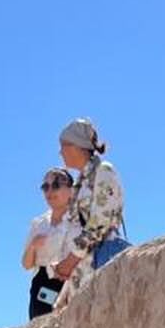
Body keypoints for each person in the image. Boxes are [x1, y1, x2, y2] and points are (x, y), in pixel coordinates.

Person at [50, 118, 127, 306]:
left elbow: (99, 223)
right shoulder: (81, 183)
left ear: (77, 146)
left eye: (63, 146)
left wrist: (69, 262)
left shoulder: (103, 171)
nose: (60, 152)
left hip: (102, 270)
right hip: (82, 278)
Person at [20, 168, 76, 318]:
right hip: (44, 283)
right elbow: (26, 264)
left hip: (73, 281)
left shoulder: (79, 221)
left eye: (56, 185)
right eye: (45, 187)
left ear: (71, 190)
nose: (50, 191)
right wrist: (33, 246)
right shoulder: (38, 224)